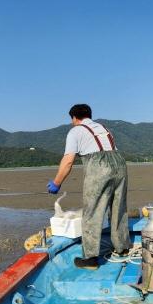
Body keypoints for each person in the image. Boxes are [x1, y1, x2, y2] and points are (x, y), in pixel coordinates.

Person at [47, 104, 131, 270]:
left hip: (99, 166)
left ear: (74, 118)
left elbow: (68, 161)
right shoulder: (103, 128)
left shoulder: (76, 131)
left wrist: (56, 183)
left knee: (92, 211)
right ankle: (122, 248)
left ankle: (91, 258)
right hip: (120, 164)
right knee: (118, 207)